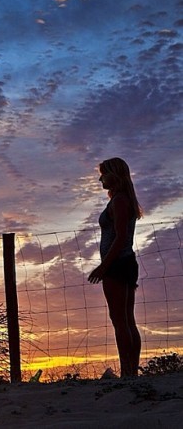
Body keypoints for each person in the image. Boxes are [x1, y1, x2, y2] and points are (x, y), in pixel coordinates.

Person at [88, 157, 142, 378]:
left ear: (114, 175)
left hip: (117, 263)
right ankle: (131, 372)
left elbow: (120, 238)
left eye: (103, 173)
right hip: (125, 262)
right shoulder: (122, 199)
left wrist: (103, 266)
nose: (100, 178)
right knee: (127, 319)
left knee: (120, 320)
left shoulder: (120, 201)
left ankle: (128, 373)